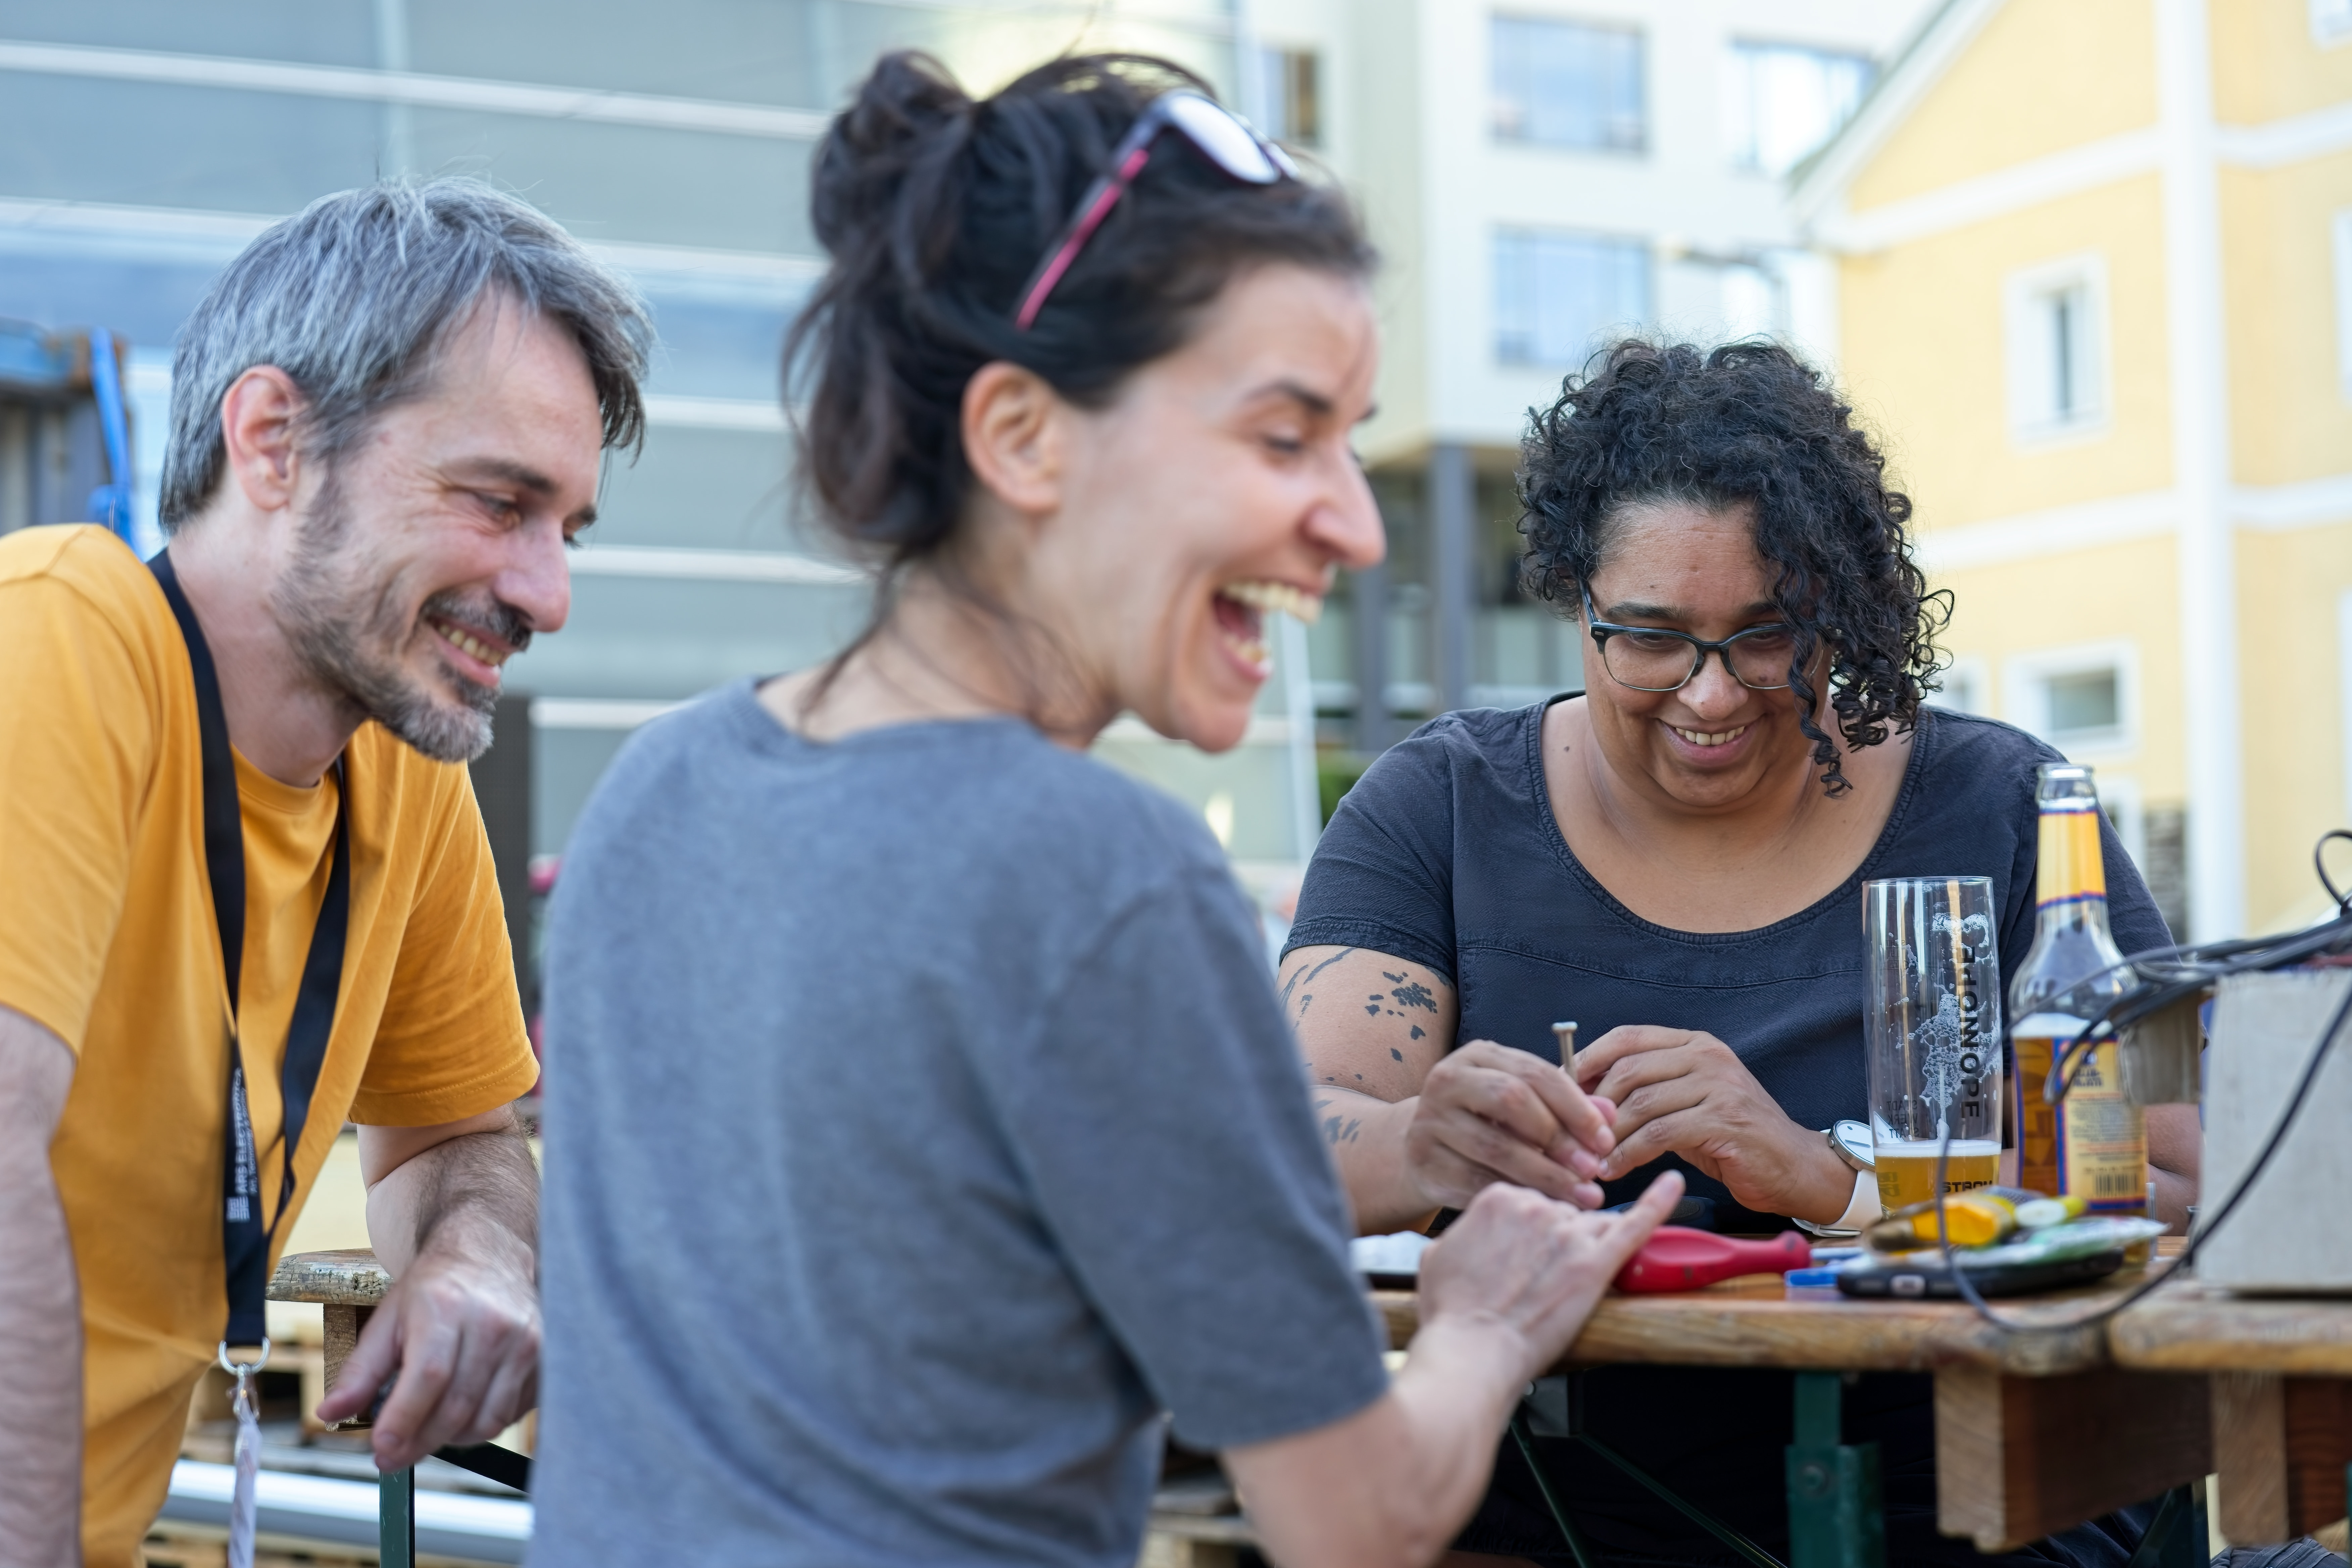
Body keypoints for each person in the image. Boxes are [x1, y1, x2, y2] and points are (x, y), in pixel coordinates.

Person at [529, 52, 1677, 1568]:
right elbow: (1354, 1520)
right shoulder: (1107, 876)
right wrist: (1485, 1324)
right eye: (1284, 437)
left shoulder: (661, 786)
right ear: (1023, 437)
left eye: (1351, 441)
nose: (1352, 523)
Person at [1280, 340, 2198, 1567]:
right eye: (1650, 638)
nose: (1710, 696)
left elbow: (2179, 1184)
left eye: (1767, 636)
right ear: (1575, 603)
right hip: (1551, 1513)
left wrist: (1826, 1178)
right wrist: (1422, 1144)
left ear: (1841, 610)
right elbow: (1285, 1142)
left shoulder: (2005, 807)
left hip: (1978, 1509)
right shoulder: (1438, 807)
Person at [0, 178, 652, 1566]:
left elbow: (455, 1138)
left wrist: (475, 1254)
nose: (547, 594)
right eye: (500, 502)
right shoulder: (54, 636)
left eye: (567, 530)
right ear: (274, 441)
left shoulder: (403, 768)